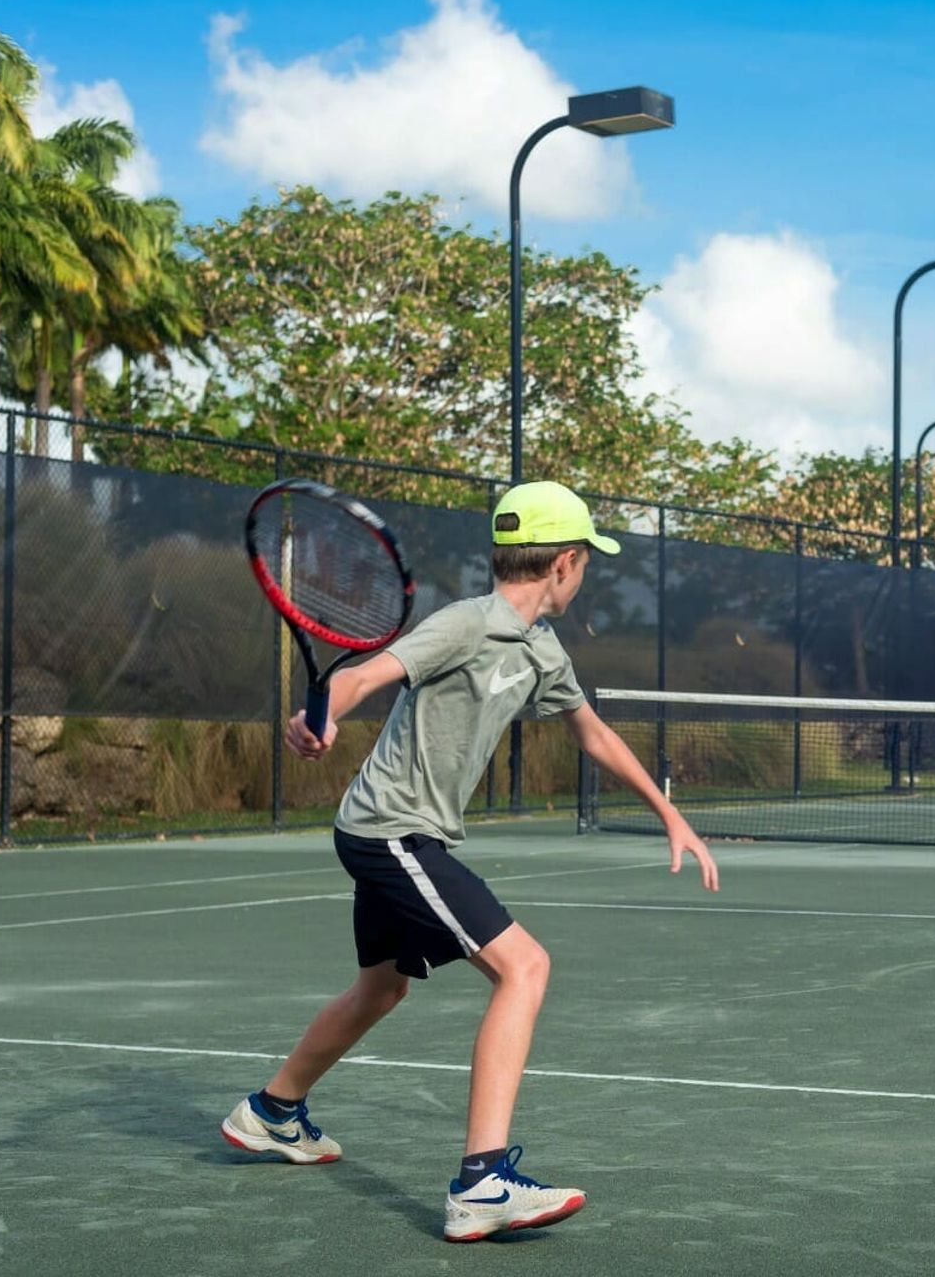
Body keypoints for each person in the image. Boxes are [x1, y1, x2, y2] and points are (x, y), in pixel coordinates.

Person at [218, 481, 719, 1244]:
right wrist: (320, 716)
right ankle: (483, 1182)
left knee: (382, 989)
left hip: (388, 829)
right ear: (565, 563)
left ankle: (270, 1111)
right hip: (392, 829)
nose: (585, 575)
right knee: (525, 967)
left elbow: (593, 734)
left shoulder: (542, 649)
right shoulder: (464, 624)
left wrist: (670, 813)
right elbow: (362, 674)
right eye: (586, 562)